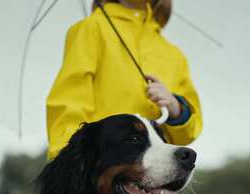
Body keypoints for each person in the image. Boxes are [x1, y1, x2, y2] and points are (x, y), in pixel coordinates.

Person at [46, 0, 202, 160]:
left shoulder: (174, 55)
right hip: (104, 166)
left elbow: (188, 134)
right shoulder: (91, 29)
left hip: (157, 170)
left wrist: (175, 108)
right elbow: (70, 103)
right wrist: (68, 162)